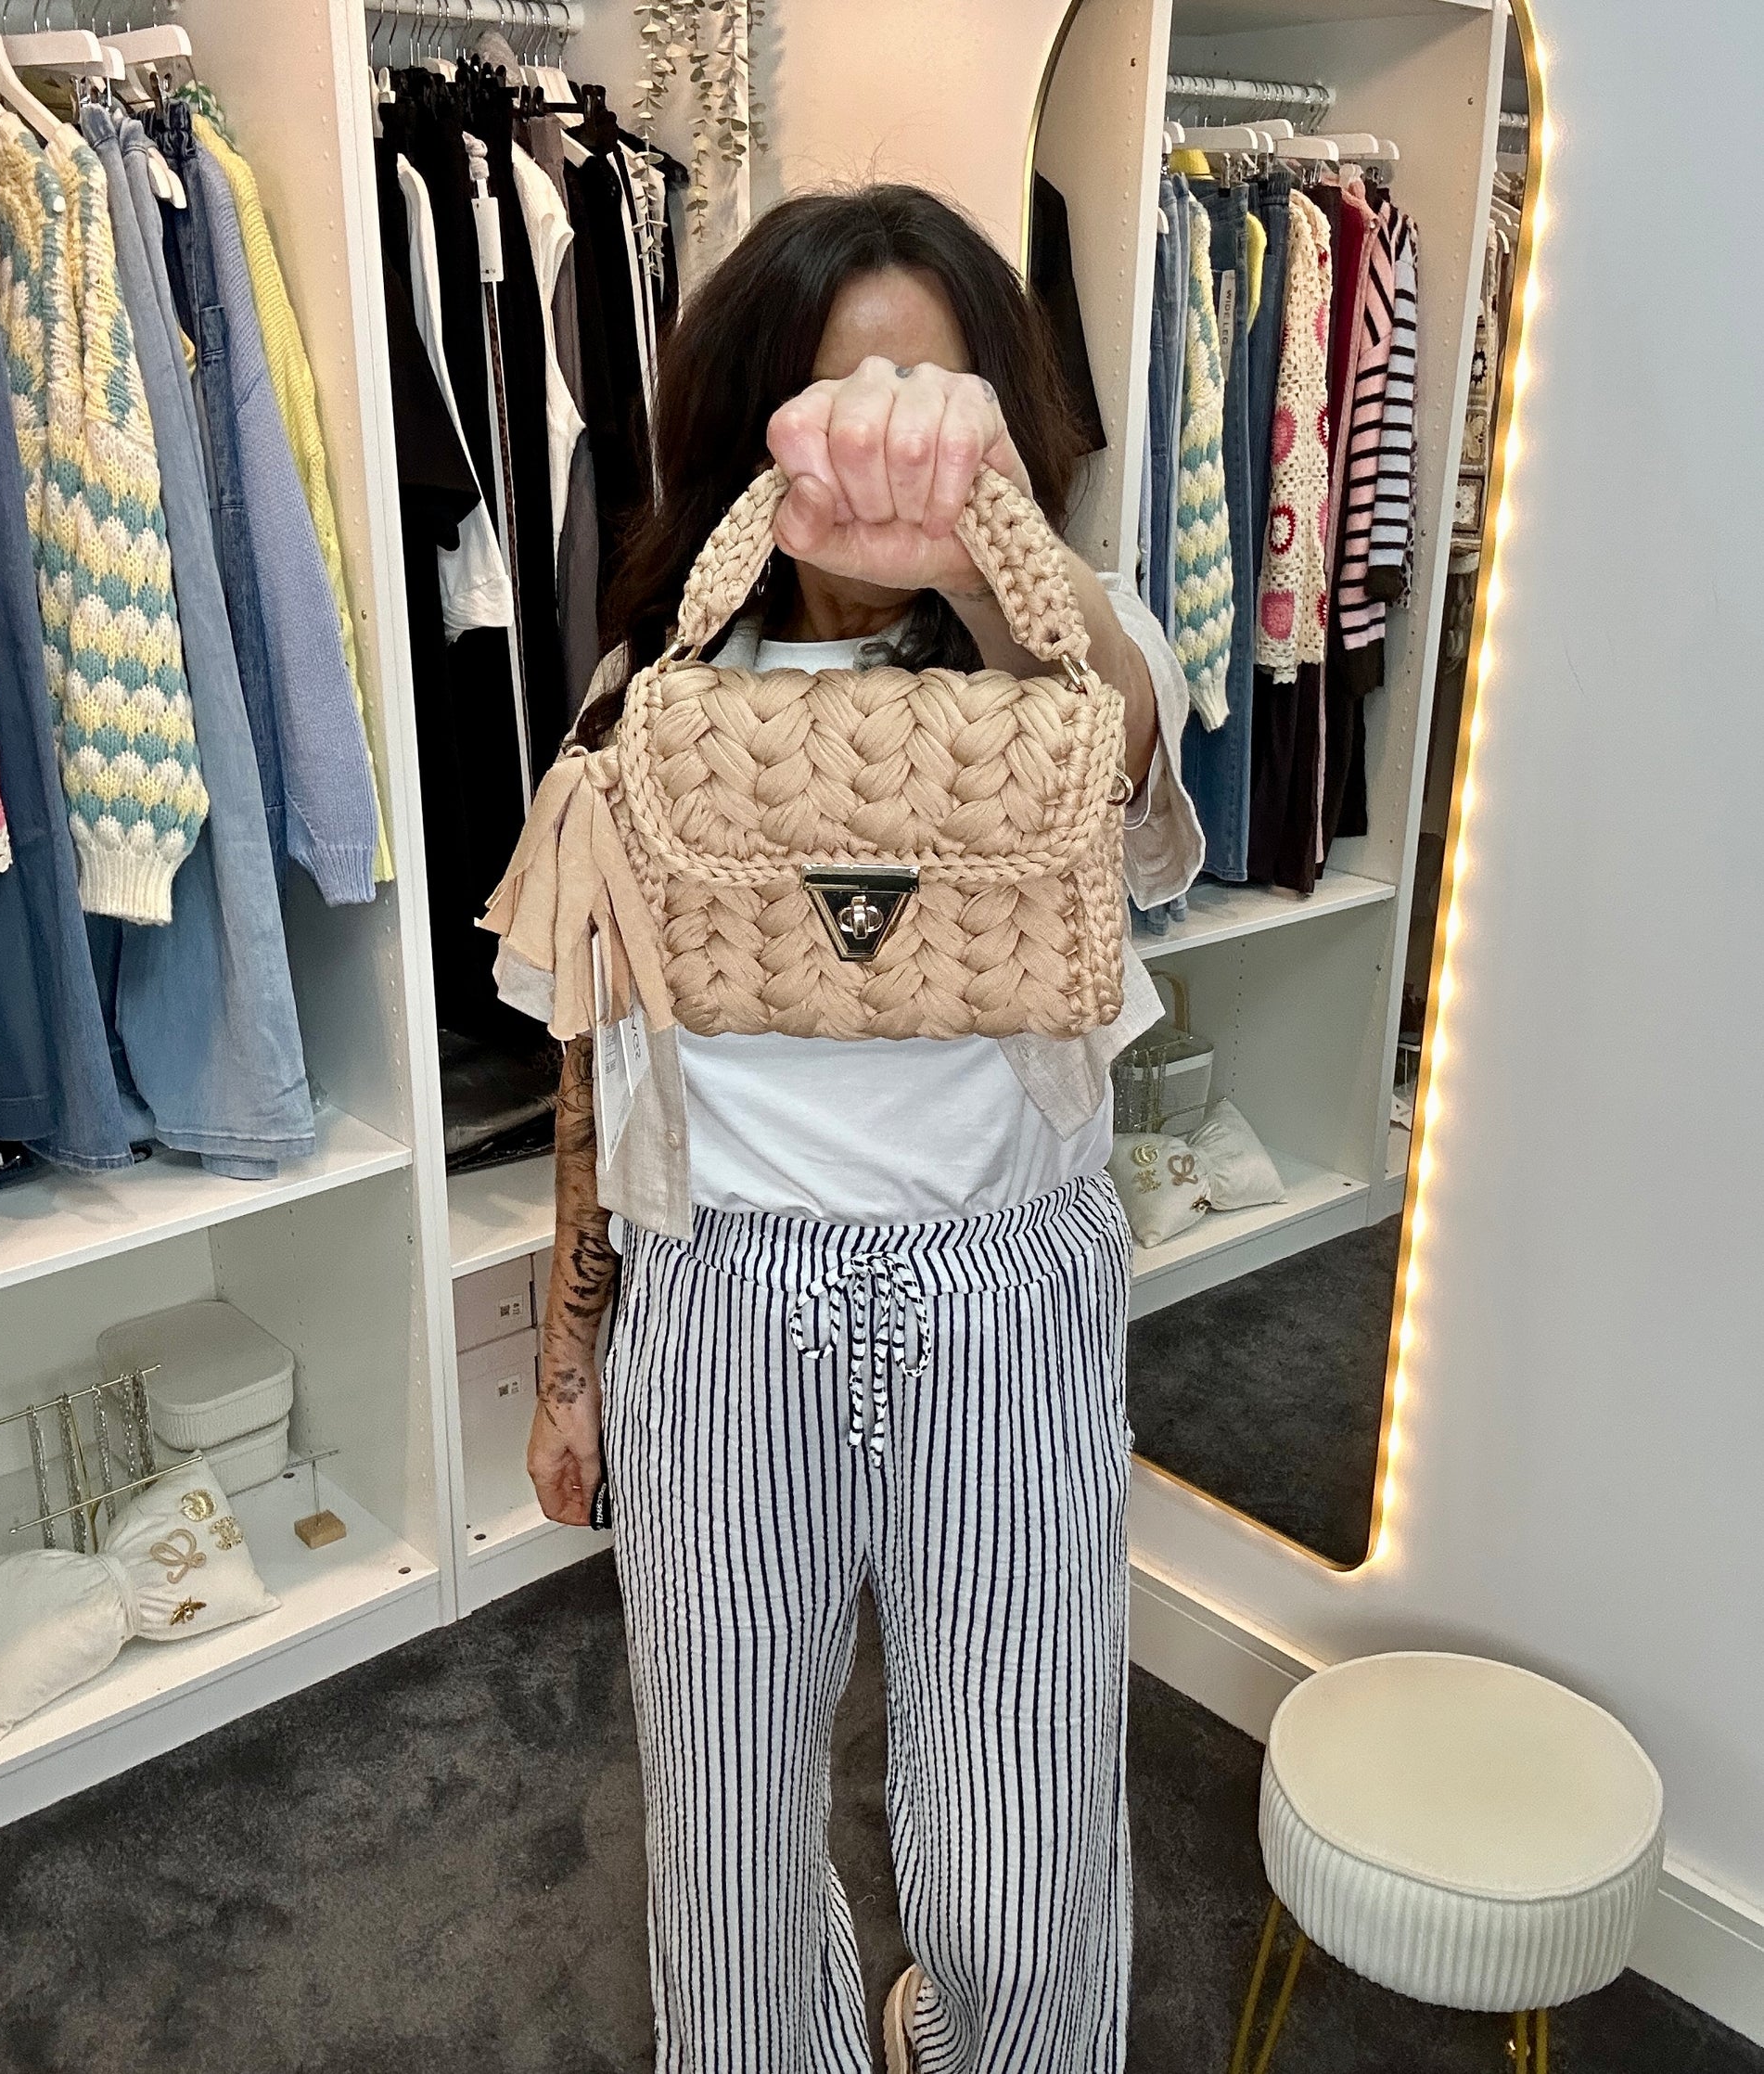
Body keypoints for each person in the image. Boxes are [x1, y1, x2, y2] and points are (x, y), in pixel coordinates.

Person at [518, 185, 1203, 2073]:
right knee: (725, 1812)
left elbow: (1127, 739)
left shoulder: (1066, 665)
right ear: (753, 420)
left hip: (1001, 1290)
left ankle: (981, 2034)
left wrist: (983, 557)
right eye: (843, 400)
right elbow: (595, 1052)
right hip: (720, 1292)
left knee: (1022, 1815)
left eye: (938, 398)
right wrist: (570, 1364)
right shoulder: (654, 699)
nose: (891, 439)